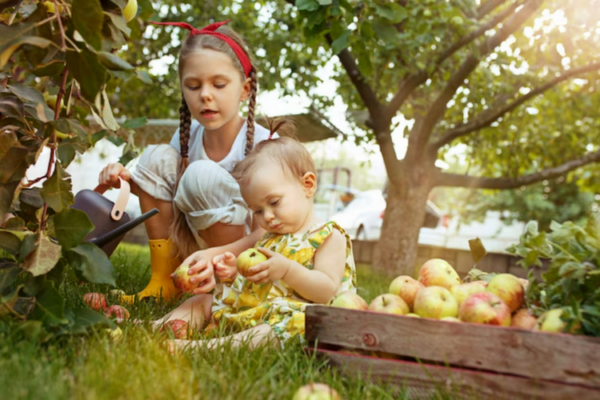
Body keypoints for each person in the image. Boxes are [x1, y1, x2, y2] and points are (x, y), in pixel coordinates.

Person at [98, 20, 273, 304]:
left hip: (243, 257)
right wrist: (124, 178)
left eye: (219, 84)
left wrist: (217, 257)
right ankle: (165, 282)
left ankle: (223, 287)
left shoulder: (265, 145)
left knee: (201, 175)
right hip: (193, 250)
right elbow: (158, 188)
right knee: (154, 157)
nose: (205, 94)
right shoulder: (185, 138)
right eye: (193, 85)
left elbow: (271, 231)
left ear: (244, 89)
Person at [164, 135, 357, 352]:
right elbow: (263, 285)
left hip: (296, 316)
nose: (267, 217)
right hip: (258, 309)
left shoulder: (328, 236)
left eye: (274, 202)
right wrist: (234, 273)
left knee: (291, 326)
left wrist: (287, 270)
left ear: (307, 185)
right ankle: (154, 327)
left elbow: (327, 292)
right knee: (202, 302)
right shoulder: (270, 237)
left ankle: (205, 348)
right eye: (257, 211)